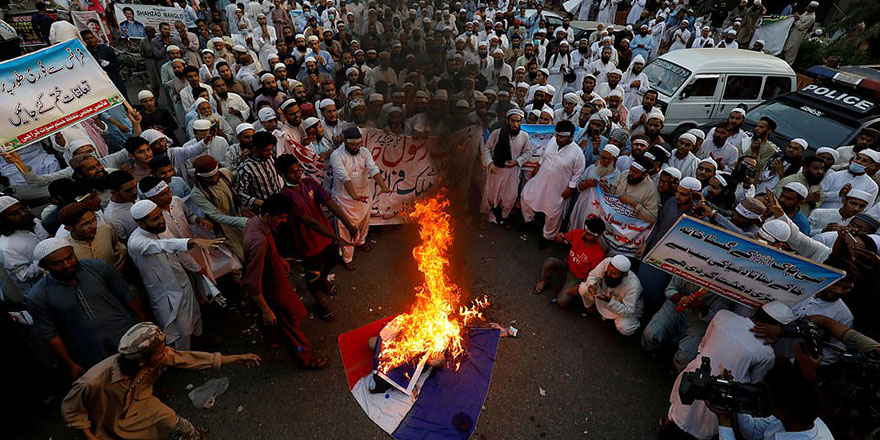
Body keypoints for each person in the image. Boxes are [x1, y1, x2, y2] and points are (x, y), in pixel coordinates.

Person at [61, 322, 261, 440]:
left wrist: (236, 358)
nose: (166, 352)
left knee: (177, 424)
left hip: (143, 406)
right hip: (108, 420)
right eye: (160, 351)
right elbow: (71, 411)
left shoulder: (153, 358)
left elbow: (191, 359)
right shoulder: (93, 381)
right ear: (140, 362)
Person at [662, 302, 793, 439]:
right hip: (720, 398)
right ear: (776, 329)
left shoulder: (724, 315)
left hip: (694, 378)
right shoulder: (766, 354)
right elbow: (753, 385)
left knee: (678, 413)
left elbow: (702, 346)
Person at [26, 238, 146, 376]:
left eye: (69, 257)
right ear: (44, 266)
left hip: (124, 331)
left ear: (73, 252)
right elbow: (50, 333)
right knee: (113, 382)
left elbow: (125, 294)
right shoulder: (38, 296)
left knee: (144, 368)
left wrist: (143, 321)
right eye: (57, 263)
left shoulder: (98, 267)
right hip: (90, 350)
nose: (67, 264)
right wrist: (70, 363)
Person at [243, 194, 328, 369]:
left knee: (275, 322)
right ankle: (305, 359)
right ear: (268, 215)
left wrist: (278, 259)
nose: (283, 221)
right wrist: (266, 309)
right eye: (281, 217)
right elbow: (252, 283)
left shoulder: (254, 223)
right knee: (290, 324)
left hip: (272, 279)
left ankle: (273, 339)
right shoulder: (259, 242)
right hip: (272, 289)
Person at [127, 199, 224, 350]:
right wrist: (194, 241)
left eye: (160, 215)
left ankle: (200, 342)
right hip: (164, 292)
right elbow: (162, 246)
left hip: (182, 280)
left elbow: (179, 251)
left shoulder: (162, 228)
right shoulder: (136, 241)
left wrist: (198, 268)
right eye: (155, 219)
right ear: (141, 224)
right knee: (179, 329)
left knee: (194, 313)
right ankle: (183, 357)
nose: (161, 221)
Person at [275, 153, 358, 321]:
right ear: (282, 174)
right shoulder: (285, 196)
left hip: (326, 238)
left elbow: (330, 203)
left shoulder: (309, 184)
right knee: (312, 275)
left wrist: (349, 224)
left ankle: (323, 281)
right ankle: (319, 303)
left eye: (298, 170)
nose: (297, 175)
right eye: (292, 172)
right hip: (308, 243)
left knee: (333, 260)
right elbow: (310, 222)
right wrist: (337, 237)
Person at [713, 363, 833, 440]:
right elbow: (754, 431)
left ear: (782, 412)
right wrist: (734, 396)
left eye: (767, 397)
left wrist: (724, 421)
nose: (762, 398)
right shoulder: (799, 413)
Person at [329, 127, 391, 270]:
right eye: (353, 145)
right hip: (345, 199)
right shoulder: (337, 155)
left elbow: (373, 169)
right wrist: (353, 196)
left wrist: (383, 186)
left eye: (359, 144)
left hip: (364, 196)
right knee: (345, 228)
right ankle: (347, 258)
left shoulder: (364, 152)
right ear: (344, 141)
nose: (356, 147)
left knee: (364, 222)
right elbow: (344, 177)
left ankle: (360, 242)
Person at [521, 120, 586, 249]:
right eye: (558, 136)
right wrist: (537, 166)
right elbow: (544, 156)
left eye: (563, 137)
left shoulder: (577, 153)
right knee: (526, 197)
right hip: (541, 180)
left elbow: (578, 173)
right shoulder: (552, 141)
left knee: (552, 213)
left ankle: (548, 236)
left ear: (571, 137)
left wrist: (570, 188)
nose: (559, 139)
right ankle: (528, 221)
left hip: (558, 187)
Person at [537, 217, 607, 302]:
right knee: (550, 262)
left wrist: (579, 287)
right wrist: (559, 237)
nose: (583, 234)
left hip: (577, 278)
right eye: (584, 230)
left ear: (597, 236)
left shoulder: (599, 254)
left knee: (562, 302)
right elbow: (561, 239)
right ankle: (544, 281)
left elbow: (593, 275)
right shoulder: (578, 233)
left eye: (588, 234)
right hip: (567, 264)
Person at [481, 109, 530, 225]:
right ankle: (486, 216)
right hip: (496, 170)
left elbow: (528, 153)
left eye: (518, 121)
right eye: (513, 121)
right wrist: (490, 163)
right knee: (490, 195)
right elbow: (487, 148)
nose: (515, 124)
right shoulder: (496, 133)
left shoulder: (524, 136)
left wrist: (516, 162)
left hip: (512, 172)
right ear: (508, 121)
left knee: (510, 197)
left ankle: (504, 217)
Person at [577, 255, 643, 336]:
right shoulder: (607, 262)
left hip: (621, 306)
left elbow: (628, 311)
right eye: (608, 270)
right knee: (584, 288)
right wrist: (592, 285)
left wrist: (610, 301)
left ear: (624, 275)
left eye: (613, 273)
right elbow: (593, 276)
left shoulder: (633, 285)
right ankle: (590, 308)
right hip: (605, 295)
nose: (608, 274)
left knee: (625, 327)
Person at [0, 195, 49, 294]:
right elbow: (24, 275)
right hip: (43, 289)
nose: (23, 213)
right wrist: (48, 259)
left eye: (22, 208)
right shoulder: (6, 247)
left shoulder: (34, 222)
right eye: (15, 213)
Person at [234, 131, 284, 209]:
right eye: (266, 150)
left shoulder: (269, 158)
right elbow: (239, 194)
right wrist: (258, 202)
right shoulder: (246, 169)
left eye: (271, 149)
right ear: (255, 148)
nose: (270, 153)